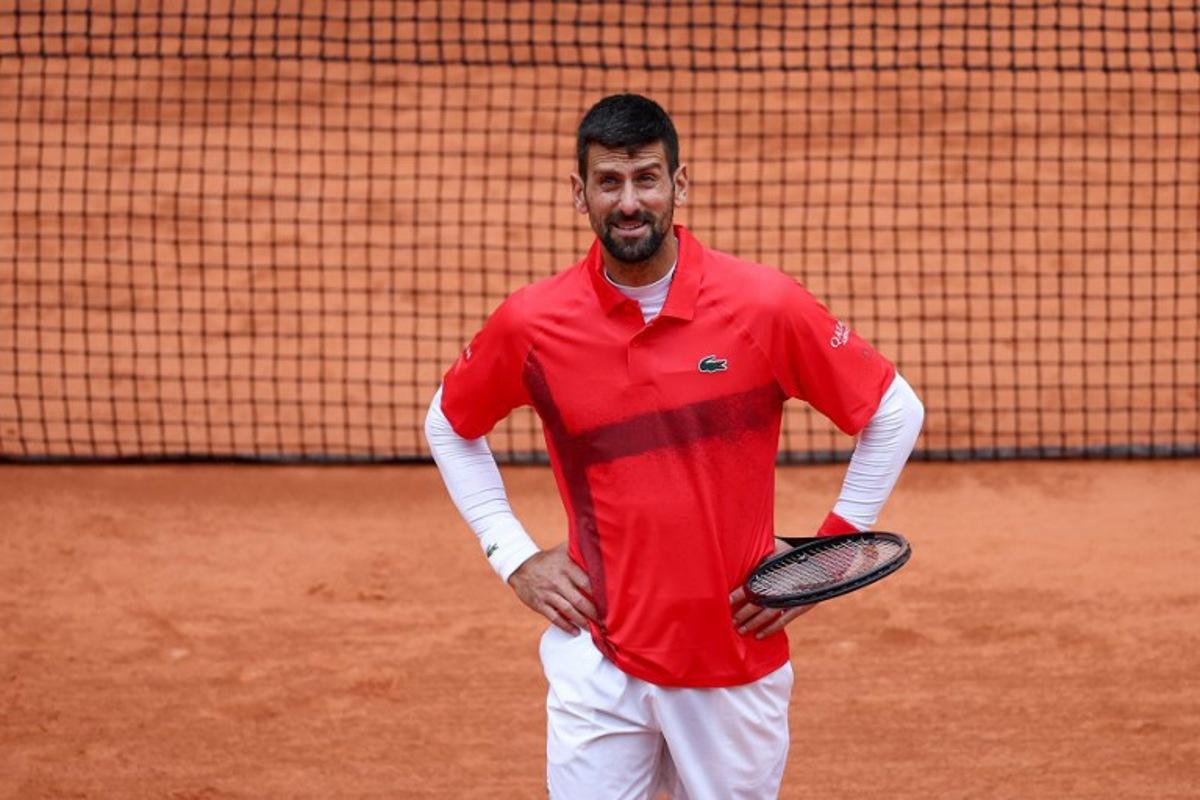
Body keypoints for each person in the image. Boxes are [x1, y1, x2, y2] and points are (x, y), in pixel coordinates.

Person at [425, 93, 923, 799]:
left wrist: (822, 561)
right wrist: (510, 553)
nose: (629, 202)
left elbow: (895, 410)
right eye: (609, 182)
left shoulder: (763, 306)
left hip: (731, 664)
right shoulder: (533, 323)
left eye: (647, 179)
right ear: (581, 193)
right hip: (596, 659)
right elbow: (448, 423)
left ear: (678, 186)